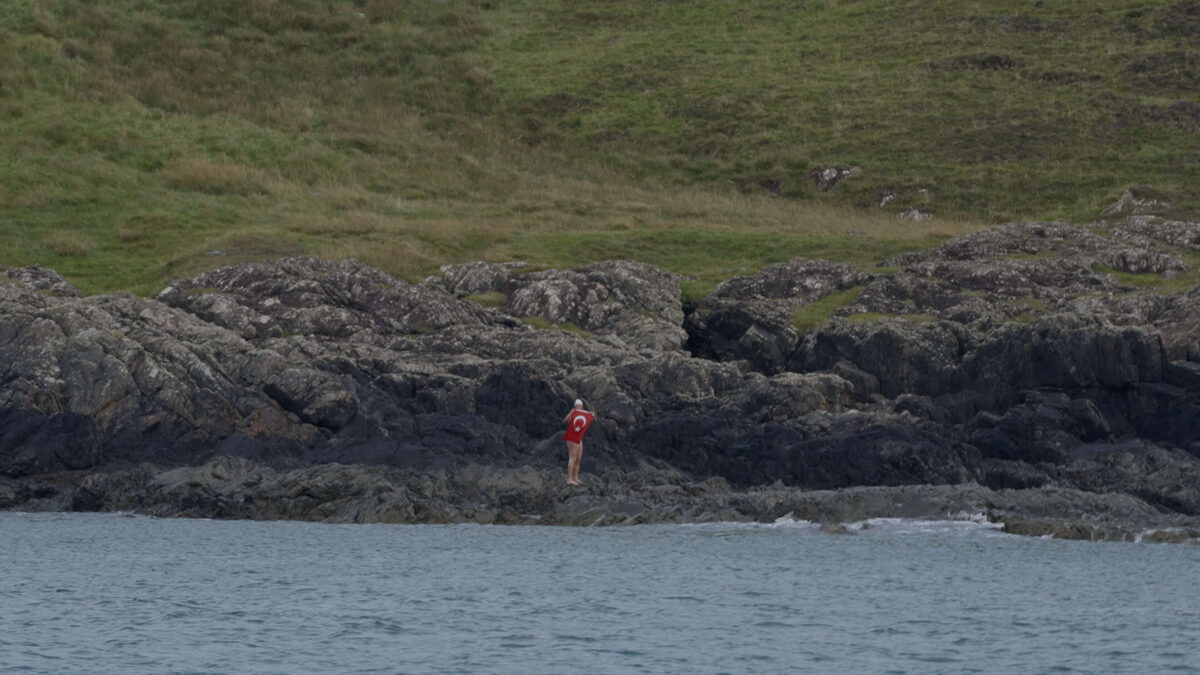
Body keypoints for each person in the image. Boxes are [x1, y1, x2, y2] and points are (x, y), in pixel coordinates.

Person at [561, 399, 595, 486]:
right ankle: (569, 479)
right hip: (571, 438)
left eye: (580, 406)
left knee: (578, 458)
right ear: (575, 406)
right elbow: (564, 421)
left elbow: (593, 421)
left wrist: (593, 415)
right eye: (577, 406)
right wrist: (571, 413)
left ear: (582, 407)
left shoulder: (584, 414)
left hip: (579, 439)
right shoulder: (573, 413)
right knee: (572, 458)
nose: (579, 407)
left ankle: (575, 477)